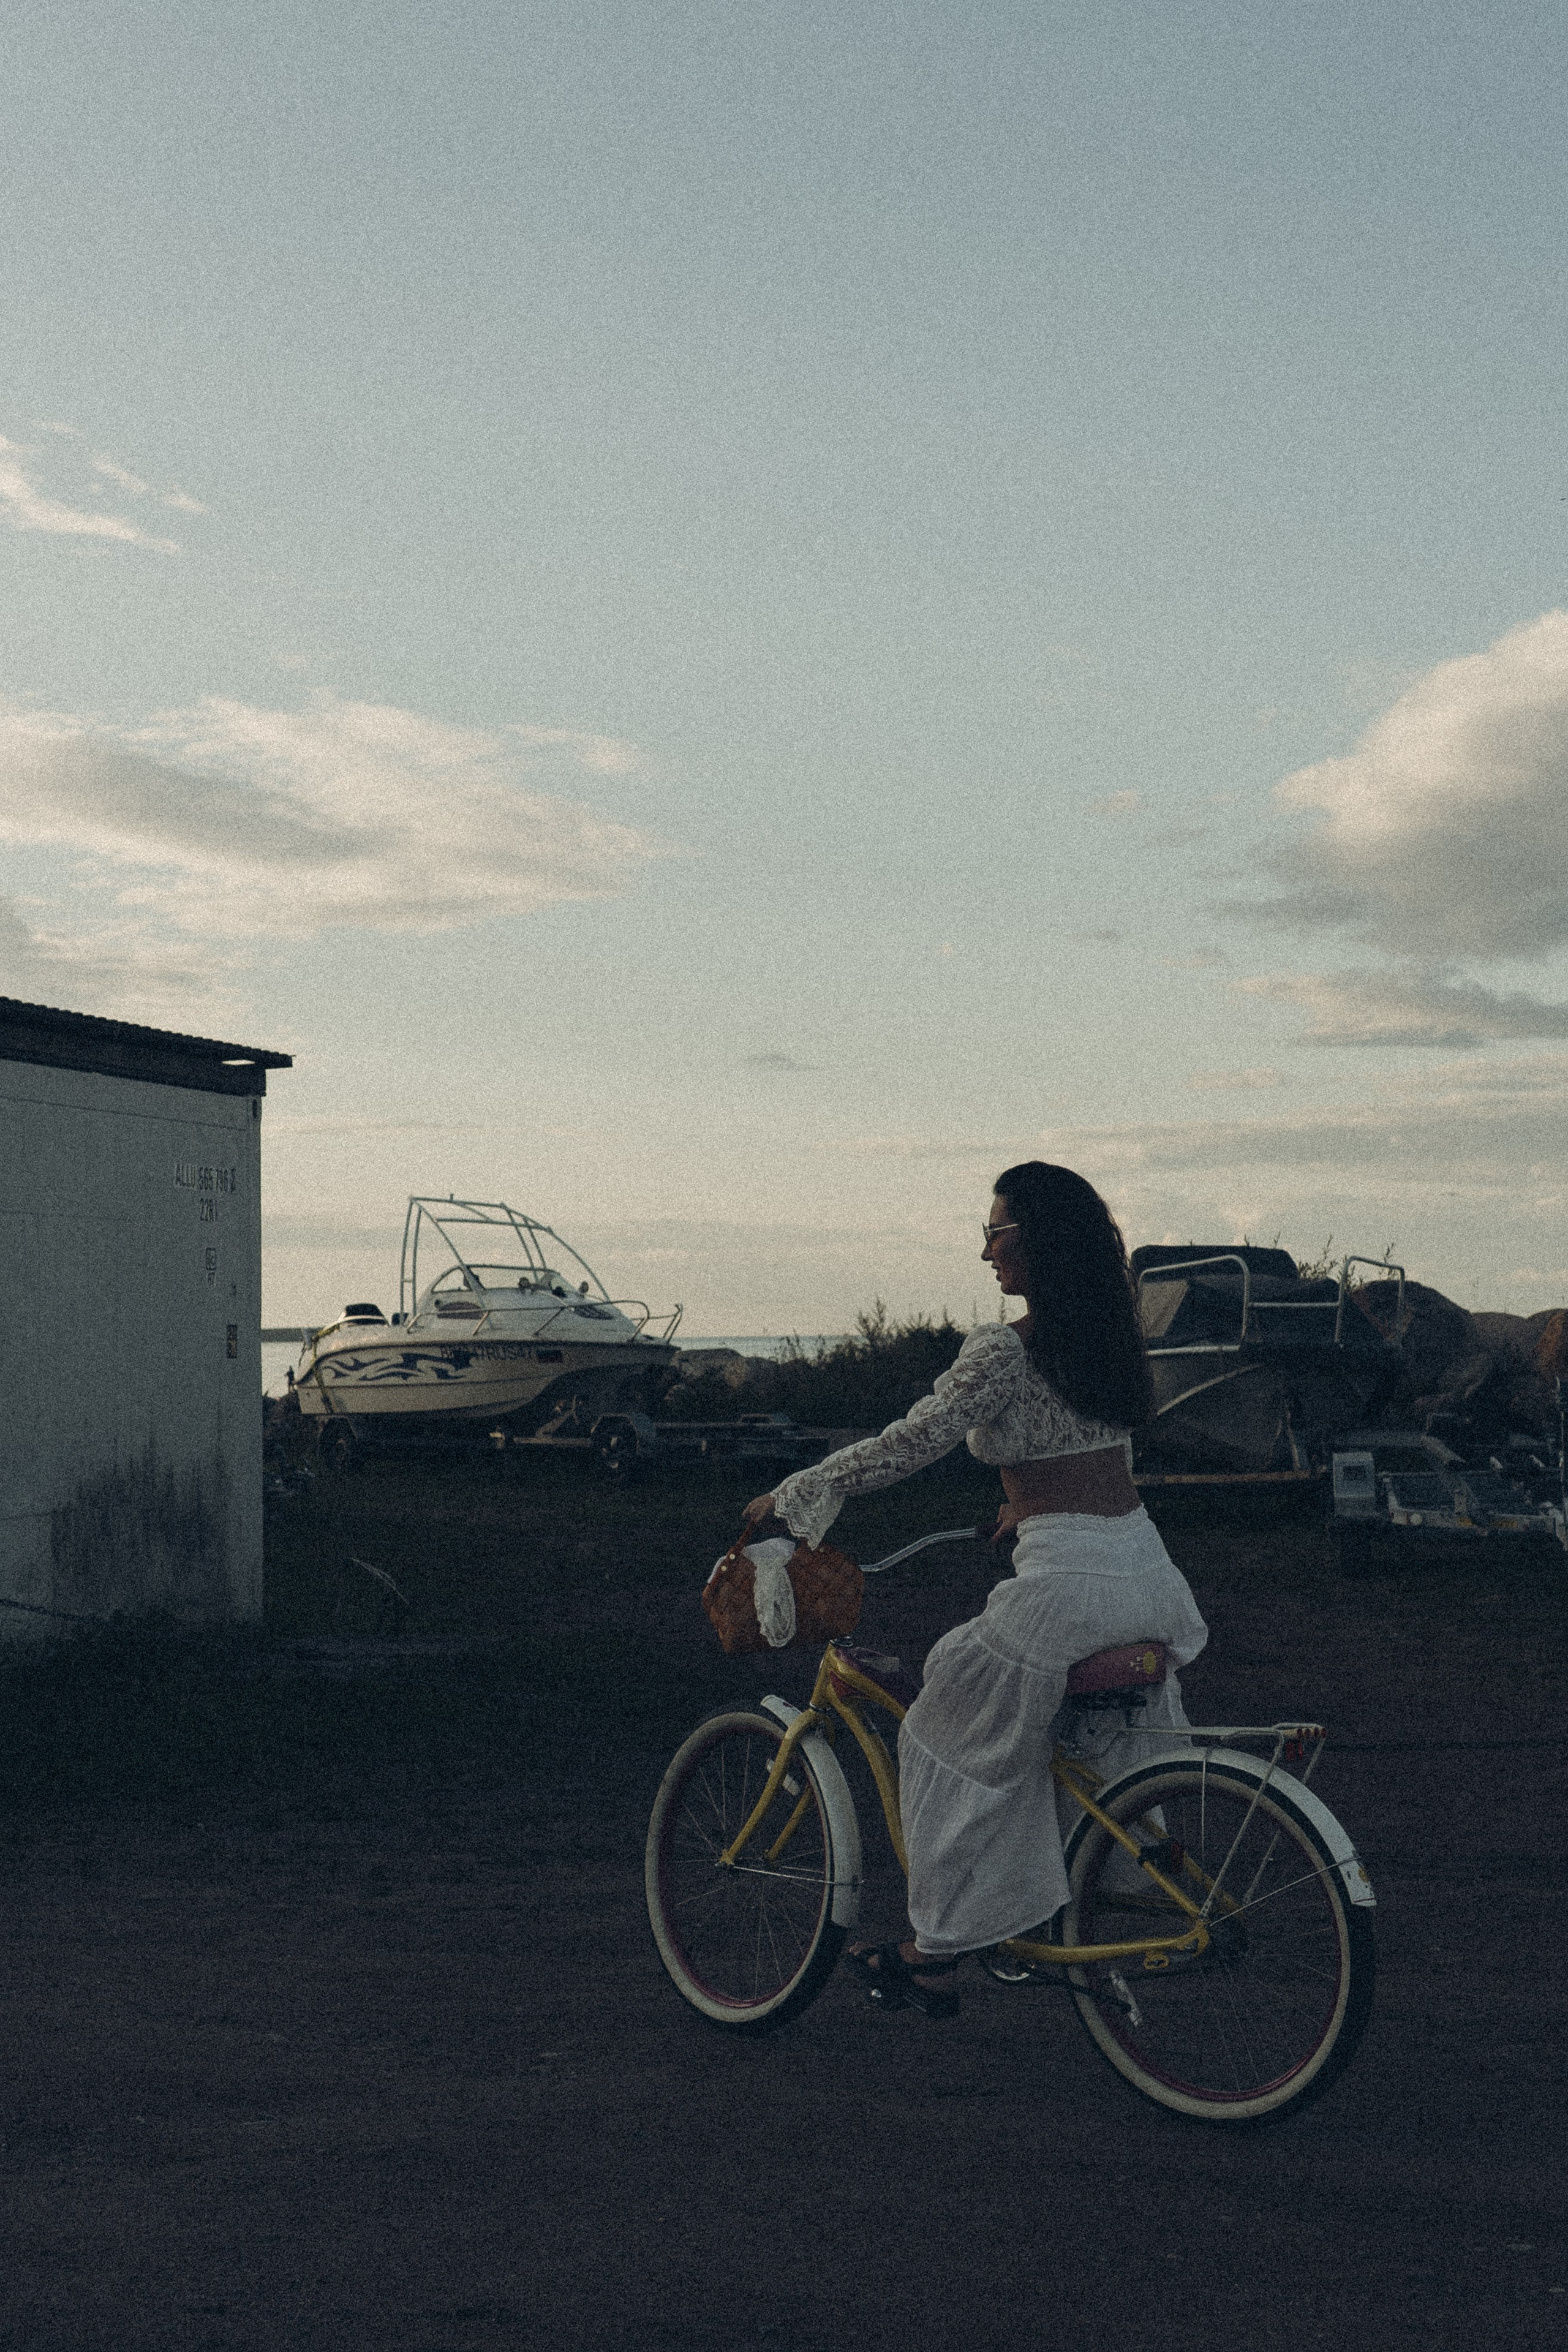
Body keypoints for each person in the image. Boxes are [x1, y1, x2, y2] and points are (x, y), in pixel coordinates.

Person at [741, 1160, 1208, 2018]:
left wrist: (797, 1493)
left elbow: (907, 1444)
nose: (986, 1254)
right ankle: (1095, 1881)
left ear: (1032, 1243)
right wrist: (1021, 1511)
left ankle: (935, 1951)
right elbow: (1094, 1464)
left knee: (939, 1733)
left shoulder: (1002, 1351)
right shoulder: (1109, 1341)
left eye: (994, 1235)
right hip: (1147, 1576)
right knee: (1038, 1740)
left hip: (1067, 1594)